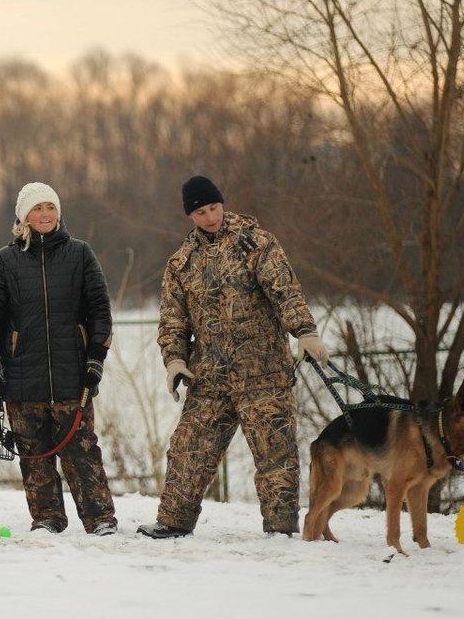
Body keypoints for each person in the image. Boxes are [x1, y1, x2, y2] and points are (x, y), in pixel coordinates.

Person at [137, 176, 329, 539]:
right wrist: (175, 361)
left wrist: (304, 331)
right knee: (187, 449)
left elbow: (284, 291)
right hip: (209, 376)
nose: (209, 217)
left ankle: (280, 529)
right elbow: (173, 321)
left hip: (263, 371)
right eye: (200, 212)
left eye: (213, 208)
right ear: (189, 215)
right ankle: (174, 521)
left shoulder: (256, 243)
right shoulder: (182, 263)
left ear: (221, 204)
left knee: (276, 455)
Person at [0, 182, 118, 535]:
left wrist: (96, 357)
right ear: (23, 215)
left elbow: (100, 310)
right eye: (37, 208)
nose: (45, 215)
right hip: (23, 378)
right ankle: (47, 518)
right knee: (34, 456)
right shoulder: (5, 260)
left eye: (50, 208)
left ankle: (99, 519)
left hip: (74, 375)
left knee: (82, 452)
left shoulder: (80, 254)